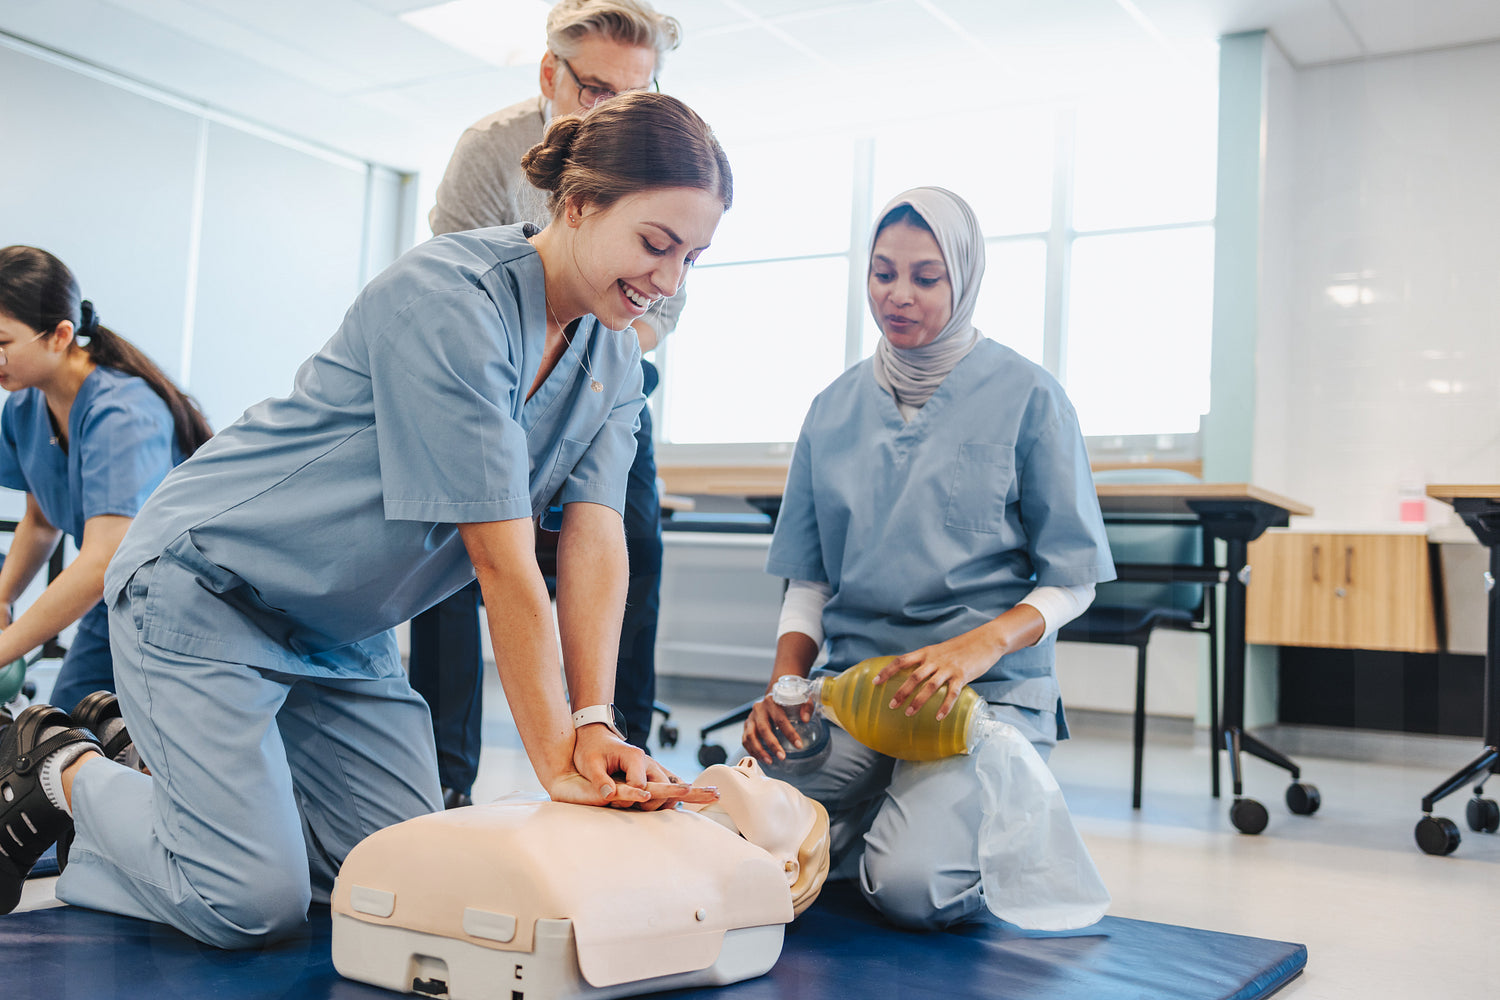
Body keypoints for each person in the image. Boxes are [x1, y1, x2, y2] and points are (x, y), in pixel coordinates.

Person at [0, 91, 731, 944]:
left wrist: (593, 719)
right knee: (250, 904)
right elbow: (502, 563)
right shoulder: (454, 297)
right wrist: (556, 764)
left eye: (693, 258)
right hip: (207, 586)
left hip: (339, 630)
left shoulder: (613, 355)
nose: (669, 282)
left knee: (394, 878)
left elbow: (596, 536)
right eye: (655, 244)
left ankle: (166, 786)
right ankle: (59, 768)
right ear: (577, 204)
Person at [740, 187, 1116, 930]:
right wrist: (787, 687)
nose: (898, 295)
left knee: (911, 889)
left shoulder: (1030, 397)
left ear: (964, 279)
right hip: (857, 693)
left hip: (985, 701)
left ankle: (946, 817)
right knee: (742, 831)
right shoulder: (832, 409)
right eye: (882, 273)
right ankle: (889, 808)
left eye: (925, 277)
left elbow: (1073, 581)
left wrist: (980, 646)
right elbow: (809, 580)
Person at [421, 0, 685, 806]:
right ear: (549, 73)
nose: (612, 112)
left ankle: (621, 750)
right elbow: (455, 285)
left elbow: (656, 313)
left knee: (629, 541)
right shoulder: (489, 149)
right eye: (596, 90)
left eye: (633, 95)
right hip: (488, 382)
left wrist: (586, 370)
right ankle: (445, 779)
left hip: (599, 378)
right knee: (449, 555)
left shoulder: (665, 167)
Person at [0, 247, 212, 712]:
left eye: (1, 343)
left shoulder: (123, 412)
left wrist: (5, 647)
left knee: (108, 739)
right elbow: (40, 521)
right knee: (60, 731)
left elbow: (100, 561)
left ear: (60, 335)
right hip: (117, 598)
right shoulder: (24, 406)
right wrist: (3, 597)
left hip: (188, 608)